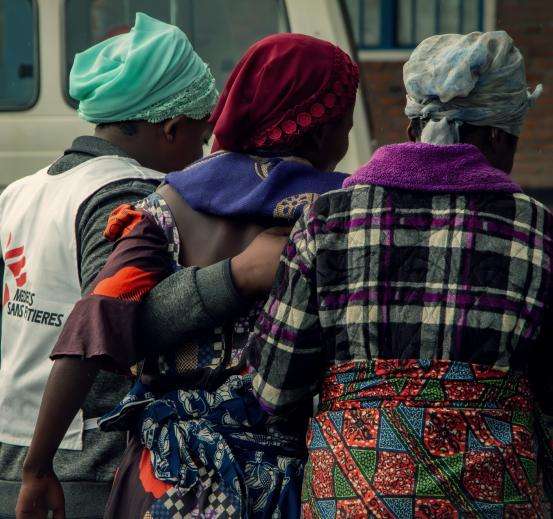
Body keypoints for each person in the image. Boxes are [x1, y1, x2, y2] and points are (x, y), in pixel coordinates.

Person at [16, 33, 360, 518]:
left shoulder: (166, 204)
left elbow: (94, 323)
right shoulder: (346, 215)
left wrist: (39, 464)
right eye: (345, 124)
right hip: (296, 482)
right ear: (323, 129)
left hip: (164, 480)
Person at [249, 31, 553, 517]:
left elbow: (274, 384)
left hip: (350, 499)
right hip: (492, 499)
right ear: (498, 135)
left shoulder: (328, 219)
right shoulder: (536, 227)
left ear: (413, 127)